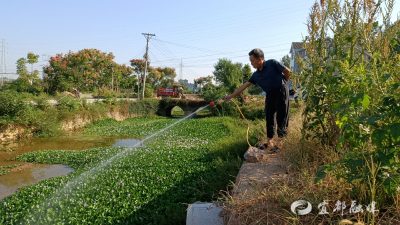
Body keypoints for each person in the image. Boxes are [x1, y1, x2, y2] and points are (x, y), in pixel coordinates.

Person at [225, 48, 291, 152]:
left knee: (282, 116)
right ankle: (269, 142)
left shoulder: (272, 63)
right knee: (269, 116)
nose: (251, 63)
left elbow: (287, 71)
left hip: (281, 91)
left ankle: (280, 144)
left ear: (260, 59)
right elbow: (245, 86)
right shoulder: (256, 75)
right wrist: (231, 96)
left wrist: (285, 81)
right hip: (270, 94)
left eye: (252, 61)